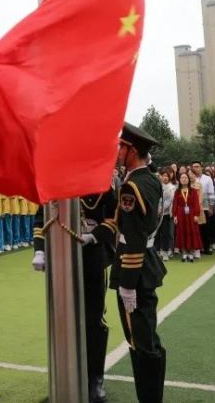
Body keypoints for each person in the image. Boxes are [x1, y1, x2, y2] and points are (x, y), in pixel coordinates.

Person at [32, 182, 117, 403]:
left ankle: (94, 379)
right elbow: (41, 219)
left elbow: (114, 218)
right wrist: (40, 250)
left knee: (94, 320)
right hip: (60, 255)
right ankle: (62, 379)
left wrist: (95, 235)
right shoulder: (55, 182)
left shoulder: (101, 183)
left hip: (92, 256)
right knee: (61, 320)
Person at [110, 122, 167, 403]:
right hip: (148, 265)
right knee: (149, 338)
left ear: (131, 150)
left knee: (140, 343)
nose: (117, 151)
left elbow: (133, 237)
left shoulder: (131, 186)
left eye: (121, 146)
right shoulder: (152, 180)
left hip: (135, 271)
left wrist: (127, 284)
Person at [172, 169, 202, 262]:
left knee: (191, 233)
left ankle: (191, 253)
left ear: (188, 179)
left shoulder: (193, 191)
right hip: (181, 214)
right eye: (182, 178)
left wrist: (196, 215)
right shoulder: (177, 192)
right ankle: (184, 253)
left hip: (191, 214)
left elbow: (196, 203)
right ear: (179, 180)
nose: (184, 179)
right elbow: (175, 205)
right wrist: (175, 216)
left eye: (186, 177)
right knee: (182, 233)